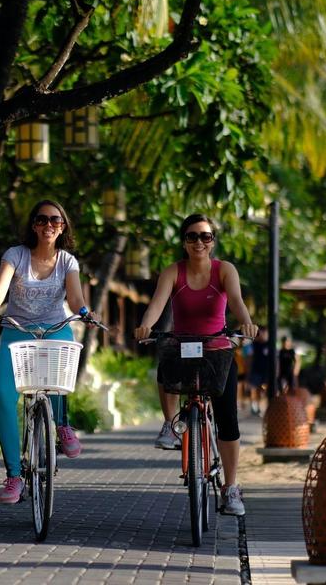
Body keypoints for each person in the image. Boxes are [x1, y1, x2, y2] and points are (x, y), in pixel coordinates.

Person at [133, 213, 259, 516]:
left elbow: (238, 302)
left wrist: (247, 323)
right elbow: (156, 305)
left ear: (212, 241)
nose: (199, 242)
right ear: (184, 242)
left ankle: (230, 488)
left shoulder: (225, 270)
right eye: (192, 236)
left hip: (217, 349)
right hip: (183, 346)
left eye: (205, 236)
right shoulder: (172, 272)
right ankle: (169, 425)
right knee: (166, 362)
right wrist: (145, 326)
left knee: (228, 420)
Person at [0, 200, 97, 505]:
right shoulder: (16, 255)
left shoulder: (68, 261)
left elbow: (75, 296)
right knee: (3, 396)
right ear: (33, 225)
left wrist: (84, 311)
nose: (48, 225)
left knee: (59, 379)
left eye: (55, 220)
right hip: (17, 331)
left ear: (63, 226)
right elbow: (0, 288)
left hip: (55, 329)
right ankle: (14, 475)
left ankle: (63, 424)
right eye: (42, 220)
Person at [248, 330, 270, 415]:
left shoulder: (269, 344)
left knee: (262, 390)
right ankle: (254, 406)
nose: (263, 335)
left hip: (265, 371)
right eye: (261, 333)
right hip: (255, 370)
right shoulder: (254, 344)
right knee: (254, 388)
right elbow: (249, 357)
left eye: (264, 333)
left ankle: (259, 407)